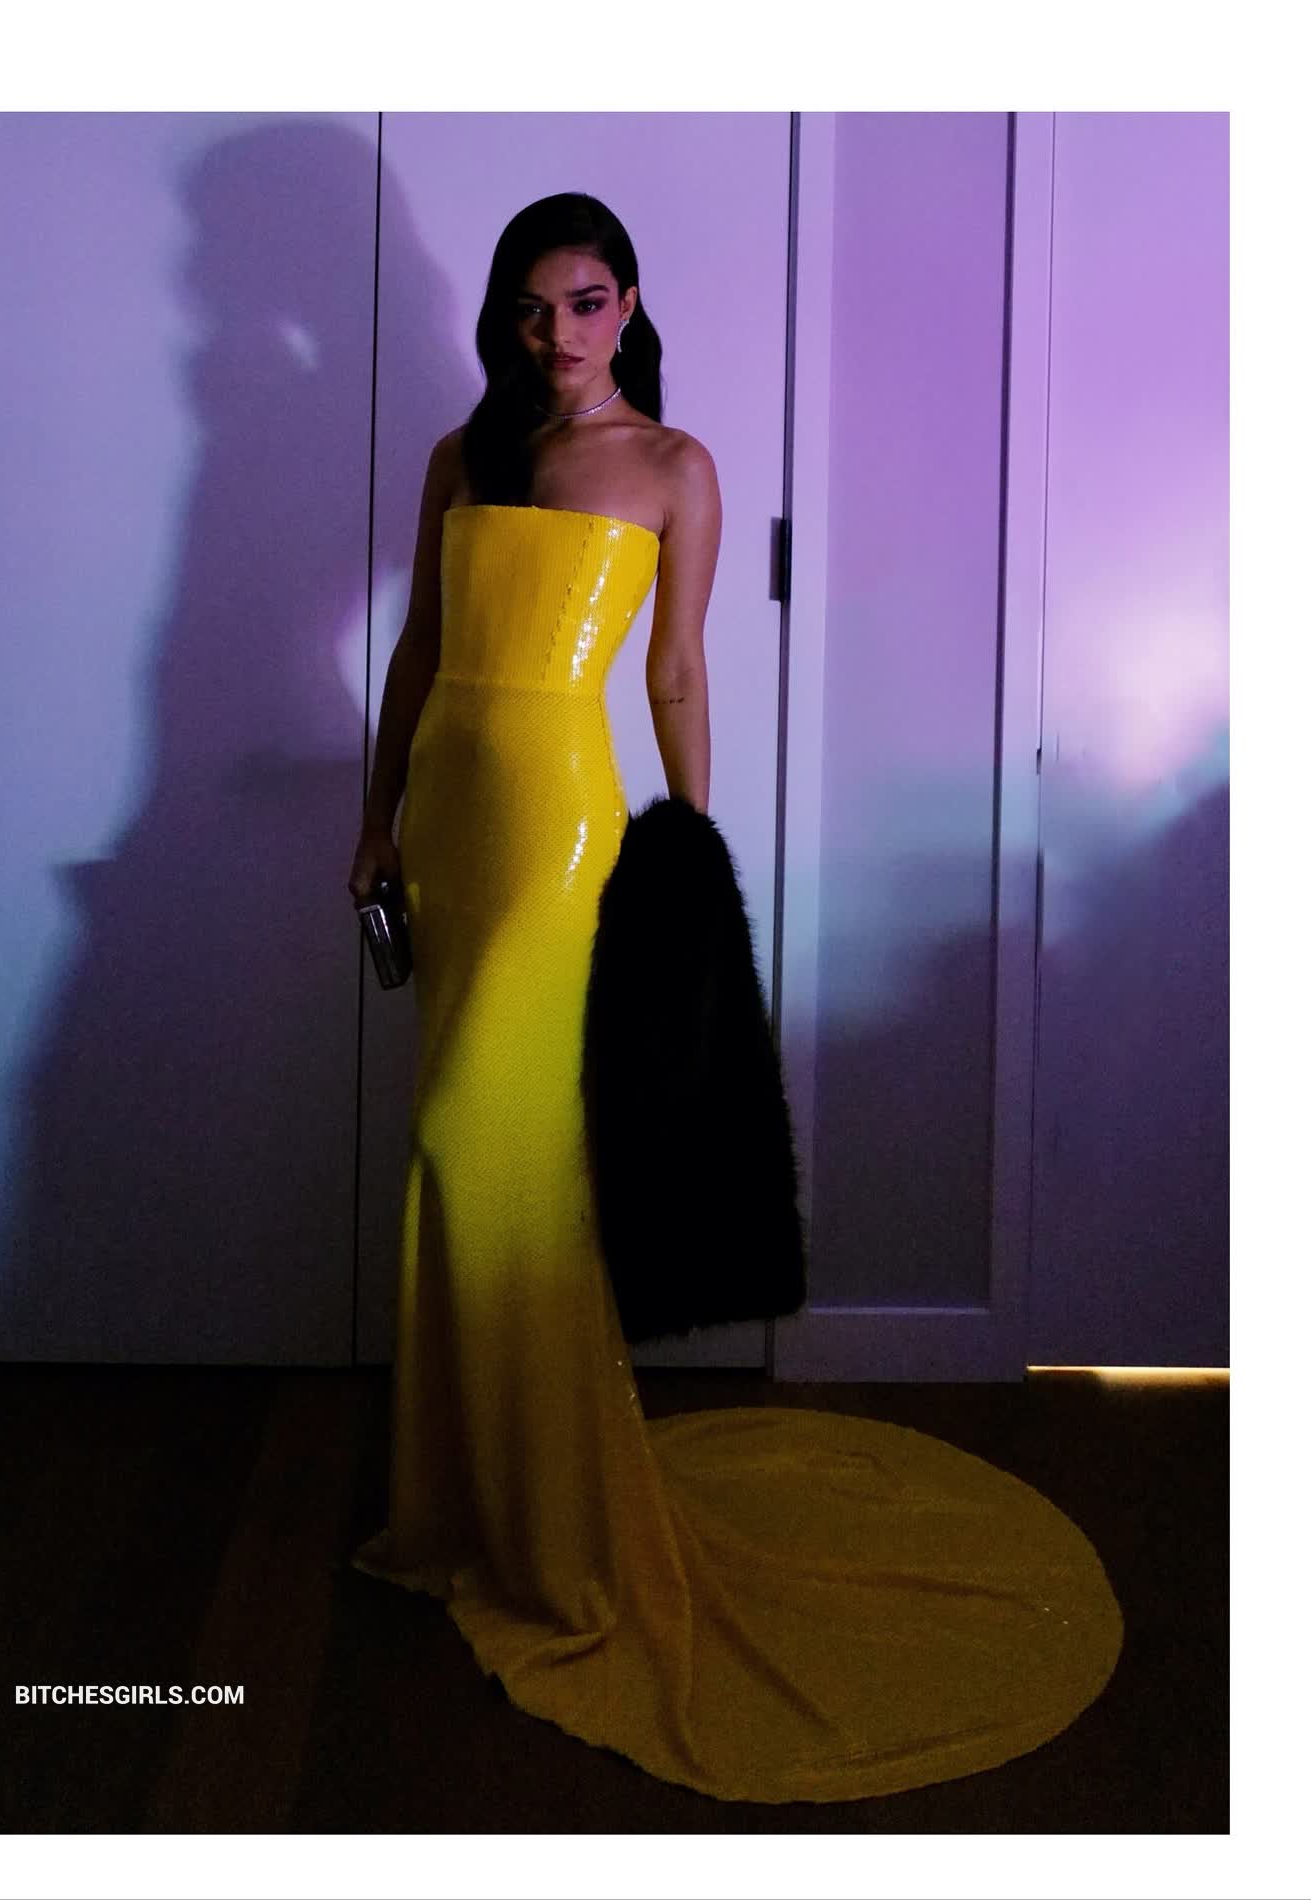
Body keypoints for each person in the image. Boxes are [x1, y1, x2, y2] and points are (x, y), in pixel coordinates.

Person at [344, 192, 1123, 1805]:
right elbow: (418, 645)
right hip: (452, 818)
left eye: (581, 303)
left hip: (559, 823)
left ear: (625, 305)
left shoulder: (673, 467)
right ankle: (468, 1508)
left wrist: (688, 843)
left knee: (483, 1151)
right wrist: (376, 818)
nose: (554, 333)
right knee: (470, 1157)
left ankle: (555, 1532)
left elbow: (676, 668)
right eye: (529, 308)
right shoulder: (462, 455)